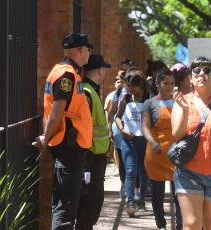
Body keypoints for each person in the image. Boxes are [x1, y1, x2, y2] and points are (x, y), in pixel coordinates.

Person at [32, 33, 93, 229]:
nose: (90, 54)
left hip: (68, 146)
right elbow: (56, 113)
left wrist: (45, 136)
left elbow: (50, 111)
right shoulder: (67, 74)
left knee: (65, 206)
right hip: (69, 148)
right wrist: (45, 139)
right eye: (89, 50)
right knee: (65, 209)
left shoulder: (60, 71)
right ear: (81, 50)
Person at [171, 57, 211, 229]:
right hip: (188, 171)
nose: (201, 74)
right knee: (191, 224)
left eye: (206, 70)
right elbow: (177, 135)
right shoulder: (182, 101)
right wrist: (185, 110)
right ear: (191, 77)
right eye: (196, 71)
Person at [141, 69, 183, 230]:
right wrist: (152, 141)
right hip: (156, 153)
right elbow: (144, 126)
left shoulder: (180, 101)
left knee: (178, 194)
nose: (169, 86)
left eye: (172, 83)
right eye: (166, 83)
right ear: (157, 84)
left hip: (176, 154)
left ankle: (180, 224)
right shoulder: (149, 103)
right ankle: (161, 225)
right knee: (157, 194)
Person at [75, 54, 111, 229]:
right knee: (89, 208)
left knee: (91, 207)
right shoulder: (88, 93)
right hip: (90, 160)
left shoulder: (89, 91)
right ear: (100, 70)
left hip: (93, 159)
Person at [115, 70, 151, 217]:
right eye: (128, 86)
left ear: (141, 84)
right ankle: (130, 202)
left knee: (144, 171)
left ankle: (141, 200)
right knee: (130, 171)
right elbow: (117, 117)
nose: (130, 89)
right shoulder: (126, 98)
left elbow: (156, 118)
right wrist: (122, 130)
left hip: (145, 140)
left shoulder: (149, 98)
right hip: (128, 140)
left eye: (133, 86)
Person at [104, 71, 125, 174]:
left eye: (122, 81)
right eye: (117, 81)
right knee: (117, 150)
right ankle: (118, 166)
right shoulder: (113, 95)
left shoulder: (131, 94)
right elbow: (109, 112)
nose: (120, 83)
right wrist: (110, 129)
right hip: (116, 127)